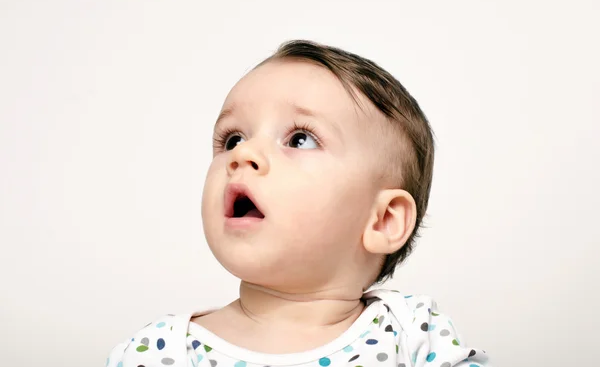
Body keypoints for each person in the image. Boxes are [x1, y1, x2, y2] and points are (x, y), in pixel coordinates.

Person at [106, 40, 491, 367]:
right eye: (232, 139)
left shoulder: (414, 334)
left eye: (300, 139)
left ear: (383, 221)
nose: (243, 155)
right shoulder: (160, 351)